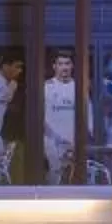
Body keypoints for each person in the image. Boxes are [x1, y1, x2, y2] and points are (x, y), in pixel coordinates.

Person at [43, 51, 80, 182]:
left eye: (67, 63)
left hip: (74, 142)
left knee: (73, 176)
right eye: (60, 64)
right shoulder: (46, 87)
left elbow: (87, 115)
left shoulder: (79, 87)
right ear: (54, 66)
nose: (64, 67)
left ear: (72, 66)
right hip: (52, 142)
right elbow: (39, 116)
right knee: (55, 174)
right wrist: (54, 137)